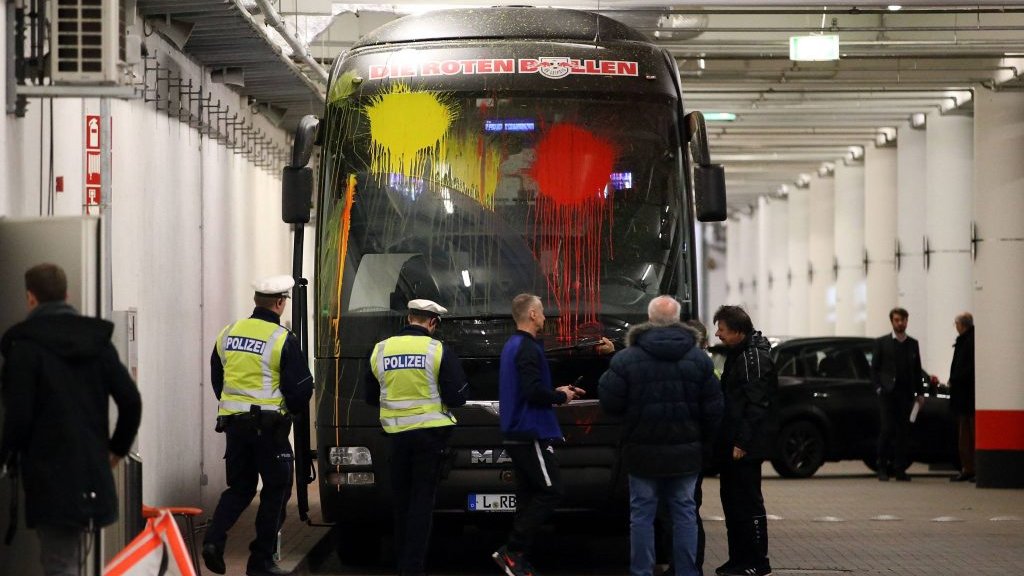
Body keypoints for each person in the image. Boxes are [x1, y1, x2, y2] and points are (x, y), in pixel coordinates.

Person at [0, 263, 142, 576]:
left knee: (59, 565)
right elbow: (131, 401)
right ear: (67, 294)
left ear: (31, 299)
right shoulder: (97, 343)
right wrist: (116, 451)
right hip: (91, 473)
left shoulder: (25, 349)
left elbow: (18, 418)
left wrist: (8, 456)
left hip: (49, 476)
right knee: (74, 562)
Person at [598, 297, 723, 576]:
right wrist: (705, 446)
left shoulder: (626, 359)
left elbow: (609, 401)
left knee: (641, 515)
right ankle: (687, 571)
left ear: (649, 319)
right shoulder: (699, 360)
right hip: (686, 456)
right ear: (678, 320)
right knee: (685, 514)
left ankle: (642, 571)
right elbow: (715, 410)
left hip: (641, 453)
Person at [491, 293, 613, 576]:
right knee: (551, 491)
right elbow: (532, 391)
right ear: (532, 314)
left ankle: (517, 560)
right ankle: (512, 550)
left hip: (516, 429)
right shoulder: (527, 348)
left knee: (528, 495)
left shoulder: (514, 346)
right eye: (542, 312)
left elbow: (528, 386)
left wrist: (561, 389)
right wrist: (560, 396)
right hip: (529, 430)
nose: (546, 317)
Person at [202, 275, 314, 576]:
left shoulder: (228, 333)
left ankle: (213, 540)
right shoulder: (281, 339)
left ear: (255, 302)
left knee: (239, 488)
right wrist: (287, 411)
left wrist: (235, 407)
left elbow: (218, 377)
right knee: (276, 489)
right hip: (269, 429)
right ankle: (260, 560)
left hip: (234, 425)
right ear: (280, 303)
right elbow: (302, 388)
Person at [364, 299, 468, 576]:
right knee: (422, 503)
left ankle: (403, 564)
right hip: (429, 439)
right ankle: (413, 568)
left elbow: (370, 397)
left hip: (395, 438)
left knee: (402, 503)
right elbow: (458, 397)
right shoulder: (437, 349)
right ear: (433, 323)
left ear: (409, 318)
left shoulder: (380, 349)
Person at [713, 305, 776, 576]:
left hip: (745, 448)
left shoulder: (754, 359)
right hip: (733, 443)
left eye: (723, 330)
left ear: (738, 331)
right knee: (732, 502)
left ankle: (756, 561)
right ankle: (737, 559)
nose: (718, 334)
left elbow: (756, 405)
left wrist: (742, 442)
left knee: (748, 503)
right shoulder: (740, 354)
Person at [870, 307, 924, 483]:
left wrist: (920, 393)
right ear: (892, 322)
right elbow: (874, 369)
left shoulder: (913, 344)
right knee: (886, 430)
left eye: (903, 320)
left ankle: (900, 470)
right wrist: (878, 388)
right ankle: (882, 469)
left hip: (905, 394)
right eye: (897, 320)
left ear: (907, 321)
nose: (900, 323)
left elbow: (917, 370)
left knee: (903, 432)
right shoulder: (882, 343)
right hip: (887, 393)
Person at [947, 312, 976, 482]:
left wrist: (955, 379)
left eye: (955, 323)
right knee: (964, 431)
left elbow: (968, 367)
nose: (955, 327)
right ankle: (968, 467)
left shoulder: (970, 341)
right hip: (963, 395)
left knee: (970, 431)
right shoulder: (964, 340)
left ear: (961, 324)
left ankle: (972, 468)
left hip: (968, 395)